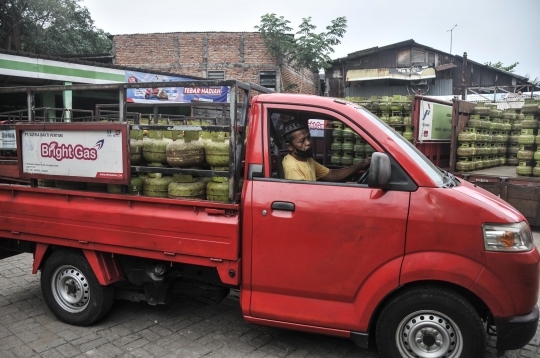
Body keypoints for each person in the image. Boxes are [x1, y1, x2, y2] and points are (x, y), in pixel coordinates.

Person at [281, 118, 371, 181]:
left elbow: (330, 175)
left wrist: (361, 165)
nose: (308, 142)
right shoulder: (292, 167)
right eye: (302, 141)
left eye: (308, 137)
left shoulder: (306, 159)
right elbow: (305, 194)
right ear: (290, 146)